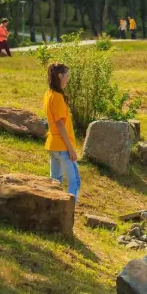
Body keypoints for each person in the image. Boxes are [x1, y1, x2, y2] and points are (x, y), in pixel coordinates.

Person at [43, 62, 81, 203]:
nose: (68, 79)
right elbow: (59, 123)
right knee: (74, 182)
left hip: (53, 145)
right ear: (60, 76)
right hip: (63, 147)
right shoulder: (58, 97)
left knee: (55, 182)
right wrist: (70, 148)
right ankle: (69, 211)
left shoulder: (48, 94)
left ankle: (53, 210)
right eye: (67, 76)